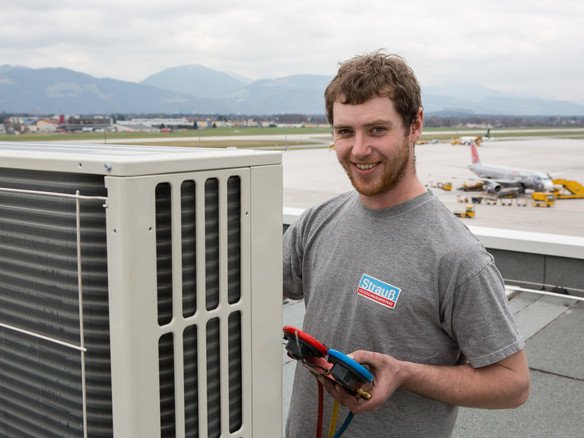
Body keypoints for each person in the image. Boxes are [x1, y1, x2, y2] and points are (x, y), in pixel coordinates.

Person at [283, 50, 530, 437]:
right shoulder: (317, 220)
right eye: (345, 132)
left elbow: (513, 384)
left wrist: (405, 374)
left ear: (415, 124)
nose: (359, 149)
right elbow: (244, 293)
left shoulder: (457, 257)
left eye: (377, 130)